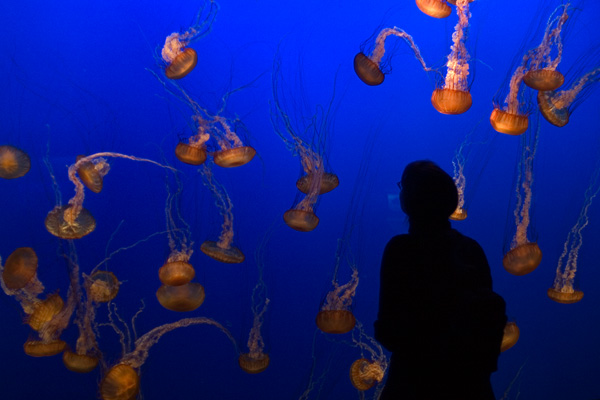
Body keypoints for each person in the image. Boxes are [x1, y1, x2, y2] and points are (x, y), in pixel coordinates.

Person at [375, 160, 507, 400]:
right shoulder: (471, 250)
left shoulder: (400, 251)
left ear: (409, 200)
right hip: (470, 386)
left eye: (403, 186)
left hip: (413, 384)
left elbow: (388, 330)